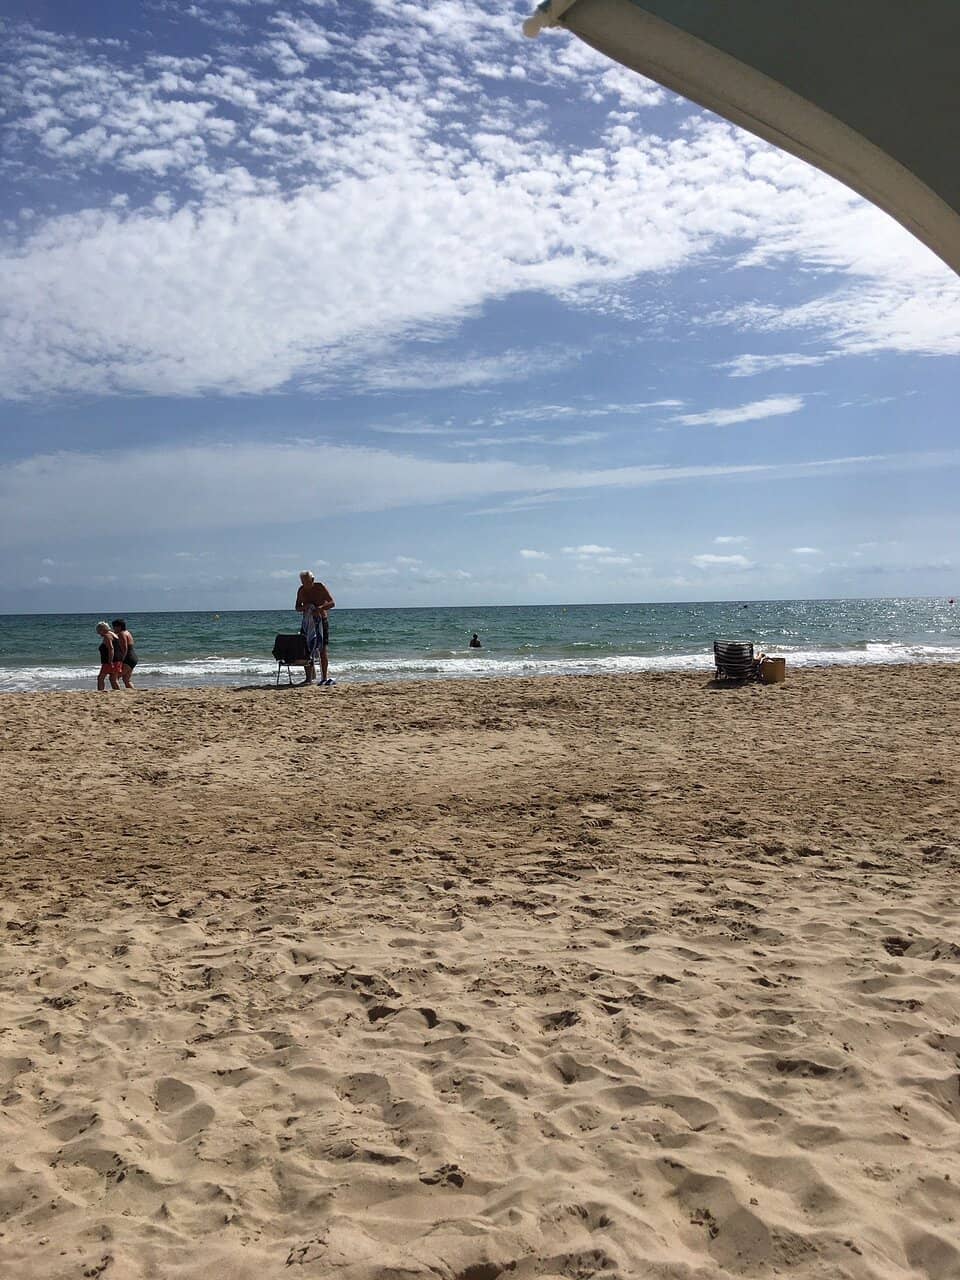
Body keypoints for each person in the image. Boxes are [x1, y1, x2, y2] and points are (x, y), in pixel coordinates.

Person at [295, 570, 335, 685]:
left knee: (322, 649)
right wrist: (305, 607)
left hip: (321, 621)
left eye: (307, 582)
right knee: (306, 649)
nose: (305, 584)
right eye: (303, 582)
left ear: (312, 580)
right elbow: (297, 607)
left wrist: (320, 608)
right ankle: (309, 678)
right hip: (307, 623)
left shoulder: (320, 587)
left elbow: (332, 603)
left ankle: (324, 677)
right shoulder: (301, 590)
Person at [95, 621, 122, 691]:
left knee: (100, 678)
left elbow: (111, 648)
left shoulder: (107, 636)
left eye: (98, 631)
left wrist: (110, 661)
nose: (98, 633)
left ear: (102, 629)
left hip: (109, 661)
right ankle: (118, 692)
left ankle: (100, 692)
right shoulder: (113, 634)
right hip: (117, 659)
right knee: (113, 679)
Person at [112, 618, 137, 688]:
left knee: (114, 678)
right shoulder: (127, 633)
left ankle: (117, 692)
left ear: (119, 627)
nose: (113, 629)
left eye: (114, 627)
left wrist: (121, 661)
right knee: (126, 679)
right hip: (133, 657)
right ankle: (133, 692)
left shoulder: (121, 634)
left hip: (127, 658)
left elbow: (124, 648)